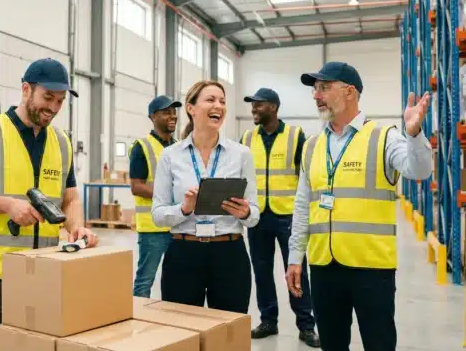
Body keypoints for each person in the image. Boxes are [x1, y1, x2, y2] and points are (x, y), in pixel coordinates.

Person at [0, 58, 99, 351]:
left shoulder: (62, 142)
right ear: (26, 90)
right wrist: (7, 205)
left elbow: (70, 198)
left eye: (60, 101)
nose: (54, 108)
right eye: (47, 98)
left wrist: (77, 228)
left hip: (44, 270)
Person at [286, 61, 432, 351]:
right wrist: (294, 257)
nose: (316, 95)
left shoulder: (384, 137)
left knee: (379, 344)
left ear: (349, 92)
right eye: (315, 89)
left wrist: (414, 134)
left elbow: (420, 170)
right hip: (323, 266)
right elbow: (303, 206)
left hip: (371, 269)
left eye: (324, 88)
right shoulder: (312, 145)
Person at [151, 80, 259, 314]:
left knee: (229, 329)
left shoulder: (241, 154)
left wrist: (245, 212)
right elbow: (158, 215)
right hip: (184, 253)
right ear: (191, 108)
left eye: (222, 101)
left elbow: (254, 215)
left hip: (229, 253)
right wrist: (184, 208)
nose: (218, 106)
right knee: (182, 328)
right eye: (210, 100)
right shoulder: (170, 156)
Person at [240, 88, 320, 348]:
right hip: (257, 216)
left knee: (296, 271)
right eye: (252, 105)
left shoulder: (295, 136)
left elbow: (306, 175)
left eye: (259, 104)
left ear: (273, 107)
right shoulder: (247, 138)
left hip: (288, 217)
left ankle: (306, 326)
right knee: (261, 271)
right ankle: (268, 320)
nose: (254, 109)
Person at [130, 95, 181, 298]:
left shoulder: (179, 147)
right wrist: (168, 193)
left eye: (174, 112)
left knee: (175, 279)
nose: (173, 116)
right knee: (145, 280)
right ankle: (138, 315)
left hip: (177, 225)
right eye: (166, 112)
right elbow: (136, 186)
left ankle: (168, 315)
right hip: (152, 228)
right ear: (153, 116)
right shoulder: (142, 146)